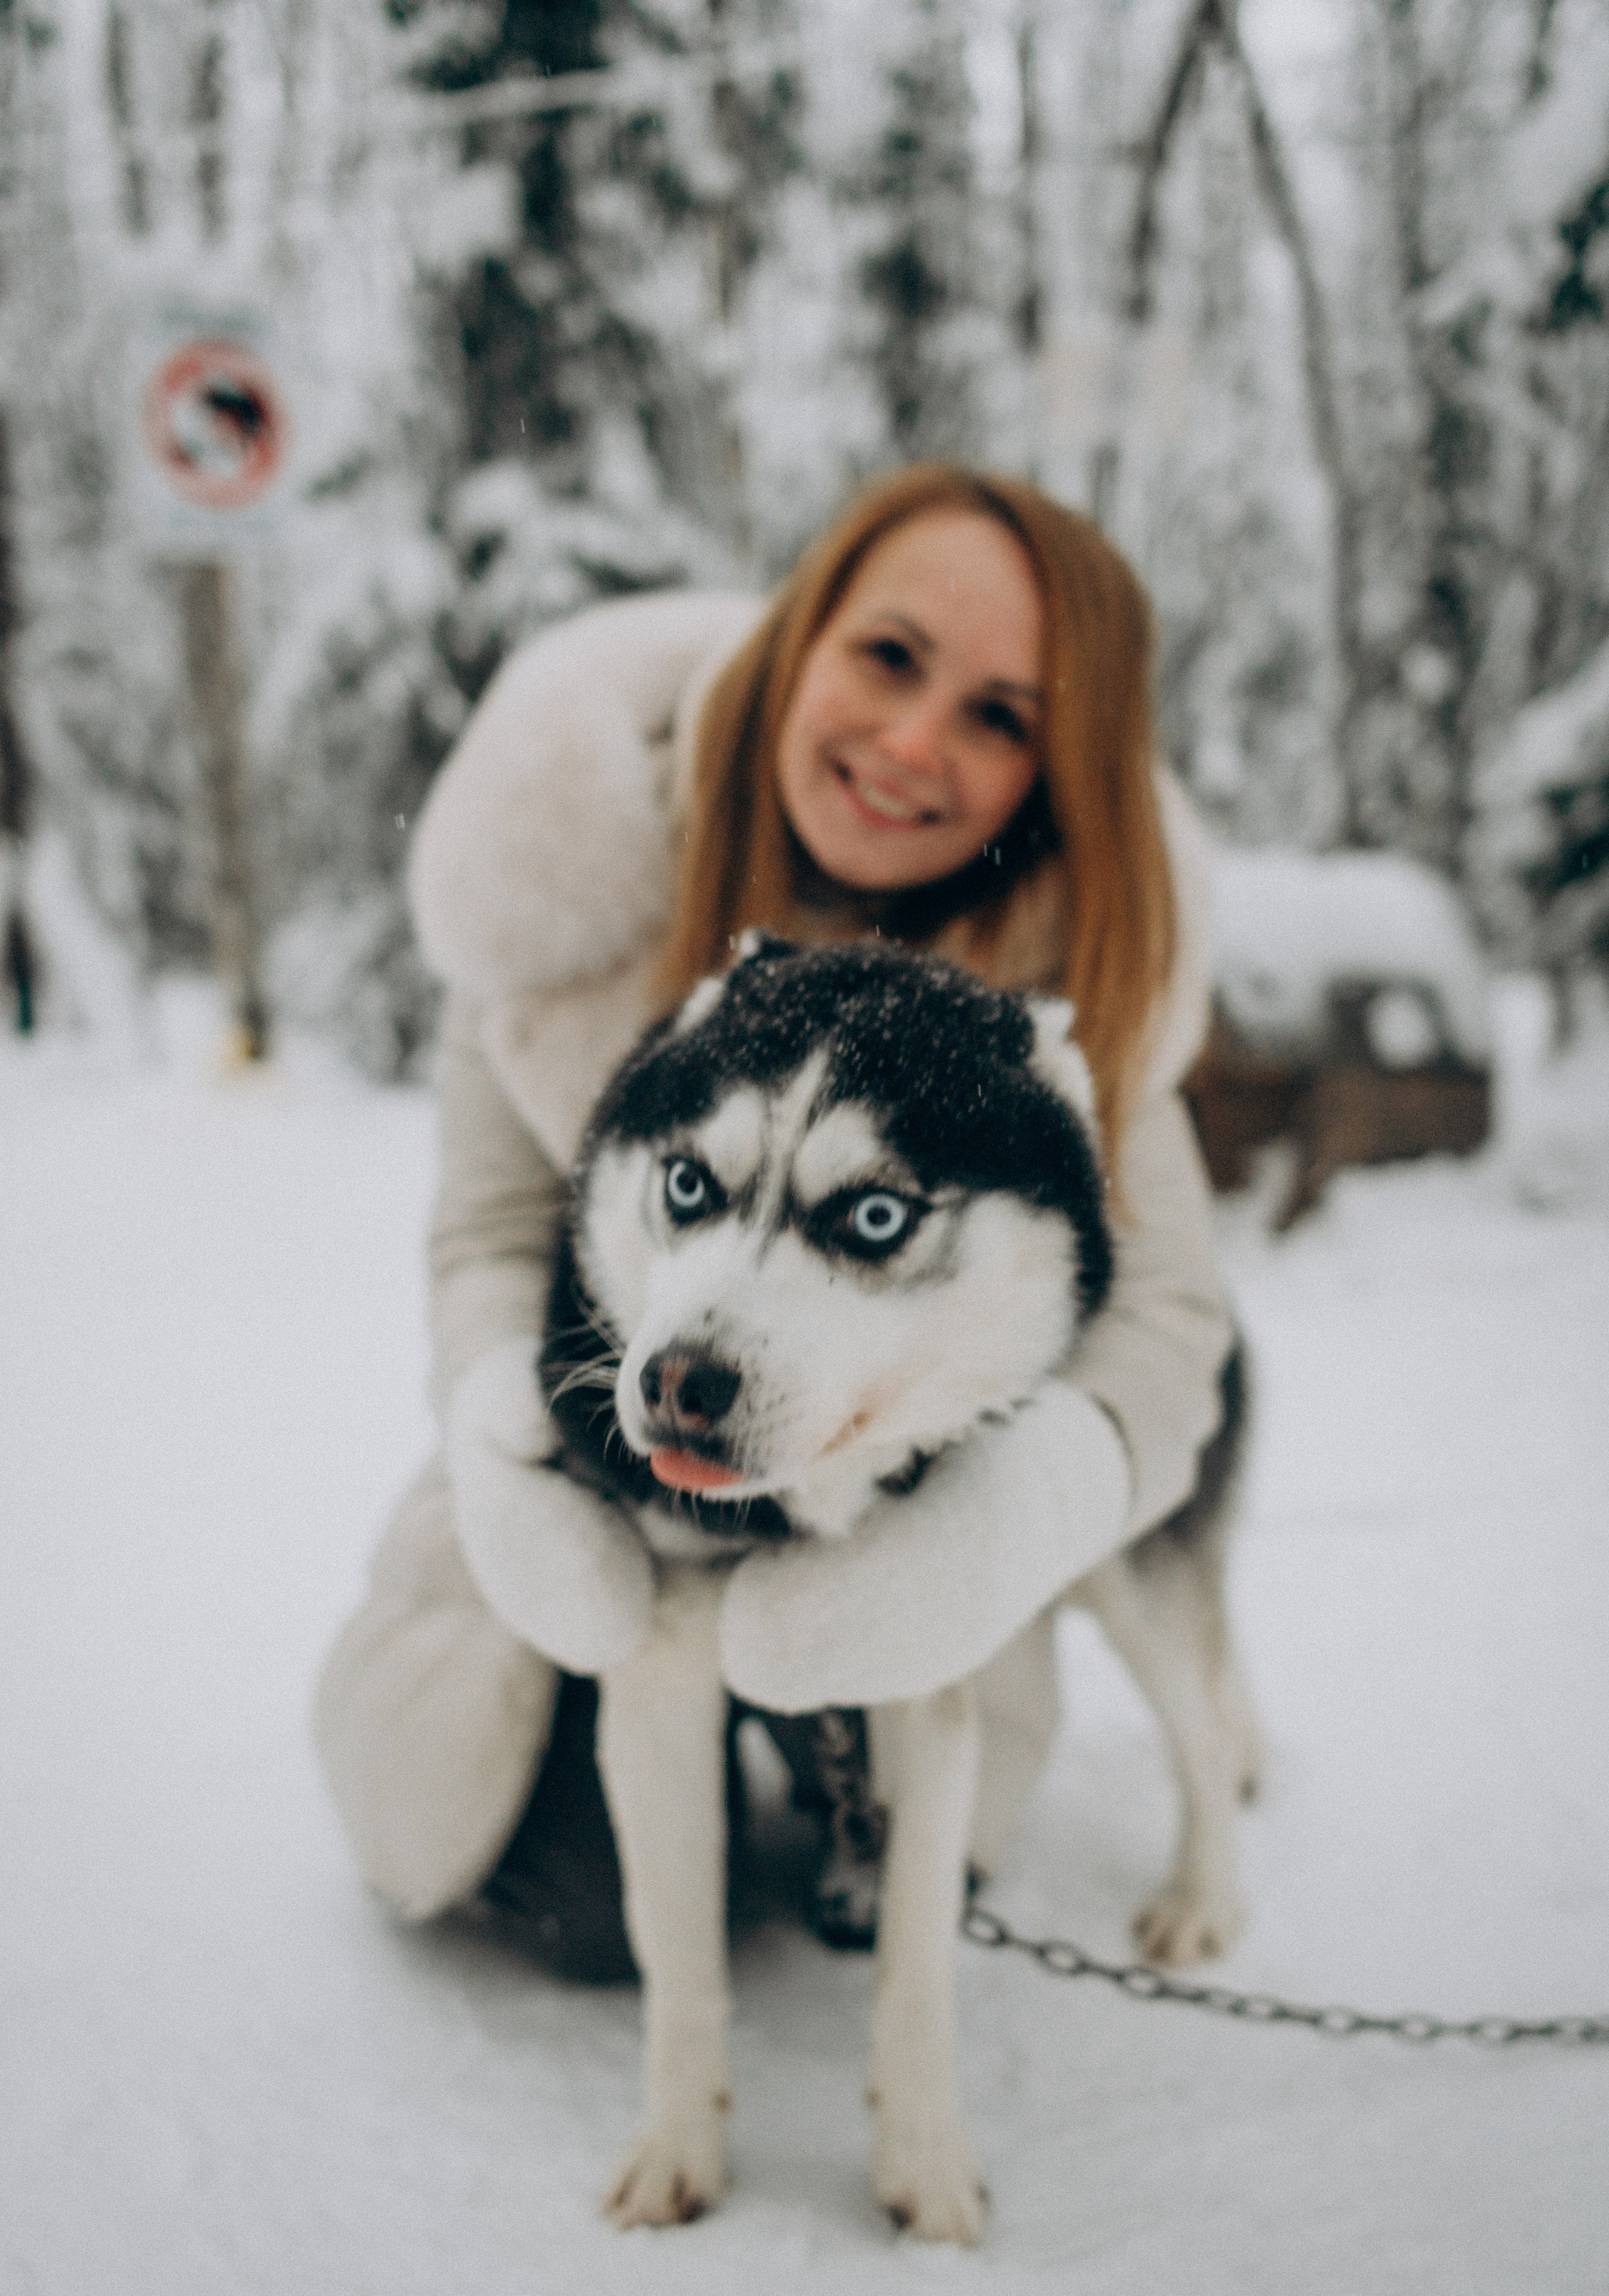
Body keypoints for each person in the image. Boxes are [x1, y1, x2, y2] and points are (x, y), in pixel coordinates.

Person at [314, 463, 1232, 1980]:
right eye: (888, 655)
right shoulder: (556, 880)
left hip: (894, 1498)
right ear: (800, 632)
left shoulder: (1060, 970)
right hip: (615, 1463)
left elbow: (1169, 1316)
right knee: (580, 1900)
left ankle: (843, 1771)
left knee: (900, 1836)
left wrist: (1016, 1513)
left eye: (998, 716)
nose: (911, 742)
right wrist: (498, 1429)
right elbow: (489, 1234)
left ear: (1051, 769)